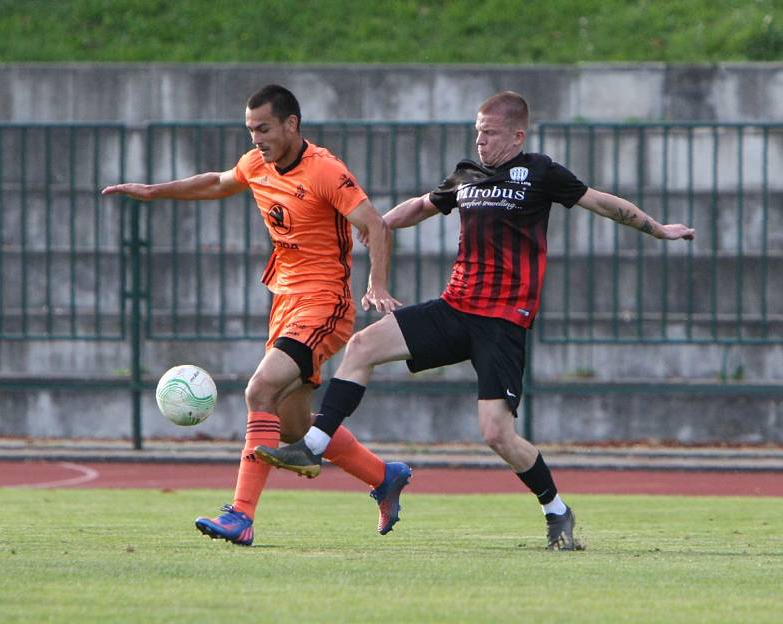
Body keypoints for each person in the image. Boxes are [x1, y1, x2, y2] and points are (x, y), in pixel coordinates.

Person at [255, 91, 696, 550]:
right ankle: (313, 446)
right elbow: (422, 205)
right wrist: (373, 223)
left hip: (502, 322)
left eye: (489, 132)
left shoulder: (541, 172)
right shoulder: (468, 173)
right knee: (364, 346)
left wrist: (658, 229)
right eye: (477, 131)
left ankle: (557, 510)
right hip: (456, 308)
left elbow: (602, 202)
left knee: (496, 433)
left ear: (516, 135)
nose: (480, 140)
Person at [102, 84, 411, 546]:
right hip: (285, 302)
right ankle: (383, 475)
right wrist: (154, 191)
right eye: (250, 129)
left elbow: (375, 225)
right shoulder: (256, 164)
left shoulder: (325, 171)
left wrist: (377, 284)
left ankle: (240, 516)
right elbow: (217, 182)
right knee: (293, 426)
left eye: (263, 128)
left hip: (324, 302)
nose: (256, 139)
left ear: (291, 124)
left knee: (259, 389)